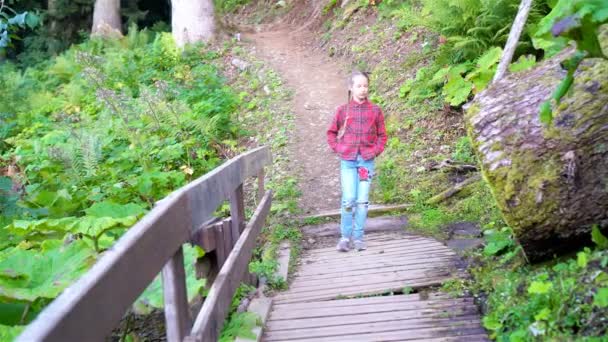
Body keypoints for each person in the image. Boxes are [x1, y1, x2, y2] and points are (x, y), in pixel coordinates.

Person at [327, 70, 387, 252]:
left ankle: (359, 238)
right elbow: (331, 133)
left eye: (365, 86)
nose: (363, 89)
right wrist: (338, 148)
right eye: (359, 86)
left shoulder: (375, 111)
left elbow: (382, 135)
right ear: (351, 88)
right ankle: (345, 237)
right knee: (349, 199)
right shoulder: (342, 111)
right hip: (348, 161)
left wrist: (375, 151)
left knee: (362, 201)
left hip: (365, 163)